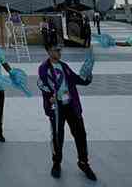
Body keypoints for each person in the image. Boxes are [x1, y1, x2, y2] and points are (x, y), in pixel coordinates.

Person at [37, 34, 97, 181]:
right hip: (57, 108)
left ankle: (83, 162)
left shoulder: (64, 66)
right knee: (58, 137)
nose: (59, 52)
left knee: (80, 134)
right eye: (56, 50)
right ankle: (56, 163)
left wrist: (87, 77)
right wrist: (50, 97)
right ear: (49, 52)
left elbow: (76, 79)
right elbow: (44, 85)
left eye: (59, 50)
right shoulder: (44, 69)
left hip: (71, 105)